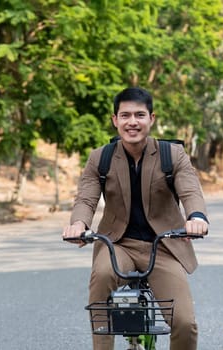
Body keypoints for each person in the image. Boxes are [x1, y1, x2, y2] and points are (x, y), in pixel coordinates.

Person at [62, 87, 209, 350]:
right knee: (103, 277)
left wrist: (196, 217)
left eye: (139, 115)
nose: (132, 122)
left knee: (185, 323)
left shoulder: (172, 155)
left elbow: (190, 190)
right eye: (125, 115)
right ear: (115, 120)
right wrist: (79, 224)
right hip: (118, 244)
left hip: (164, 246)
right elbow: (86, 198)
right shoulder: (101, 158)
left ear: (151, 119)